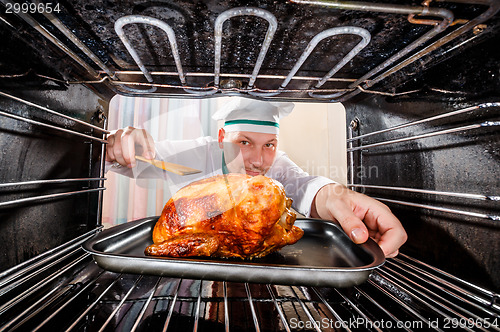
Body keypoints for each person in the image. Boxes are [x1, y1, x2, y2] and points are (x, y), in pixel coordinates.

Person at [106, 98, 407, 257]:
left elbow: (307, 187)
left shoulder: (276, 168)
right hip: (185, 267)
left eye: (269, 145)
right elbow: (136, 163)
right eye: (244, 142)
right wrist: (117, 146)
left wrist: (338, 197)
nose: (258, 160)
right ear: (222, 136)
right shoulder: (197, 154)